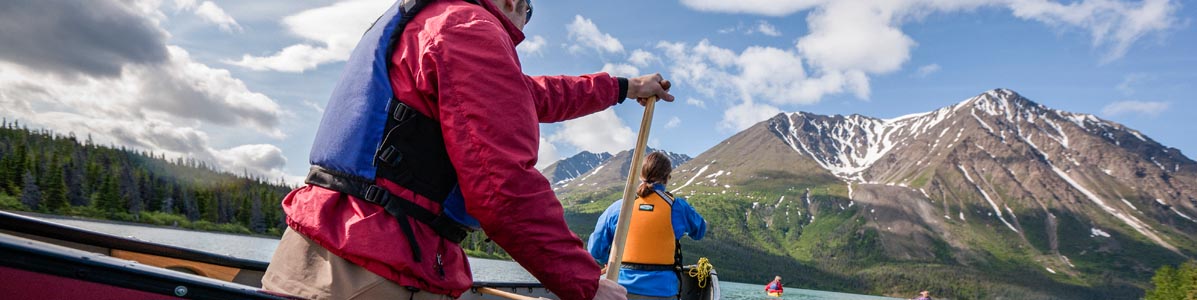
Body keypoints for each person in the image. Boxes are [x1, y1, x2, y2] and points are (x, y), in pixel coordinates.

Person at [261, 0, 674, 299]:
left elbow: (538, 95)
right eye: (528, 10)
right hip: (375, 268)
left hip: (325, 256)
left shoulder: (438, 23)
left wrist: (624, 87)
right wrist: (585, 285)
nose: (525, 22)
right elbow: (502, 188)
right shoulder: (470, 30)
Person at [588, 152, 707, 300]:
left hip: (620, 290)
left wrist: (613, 259)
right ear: (667, 178)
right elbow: (699, 232)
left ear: (640, 176)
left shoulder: (619, 207)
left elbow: (595, 250)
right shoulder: (678, 207)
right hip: (662, 292)